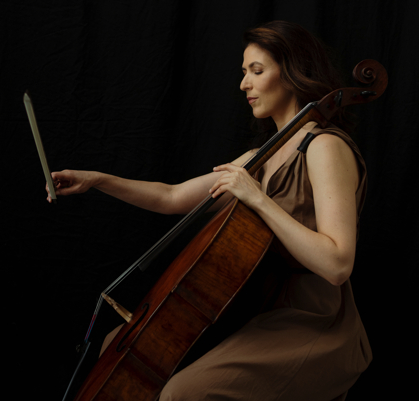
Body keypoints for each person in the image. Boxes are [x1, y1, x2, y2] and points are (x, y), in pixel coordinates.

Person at [47, 20, 372, 401]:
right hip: (253, 309)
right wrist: (98, 179)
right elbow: (172, 197)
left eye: (256, 71)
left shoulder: (324, 147)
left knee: (184, 394)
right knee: (115, 345)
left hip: (311, 320)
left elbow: (337, 264)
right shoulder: (260, 157)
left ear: (292, 72)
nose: (244, 84)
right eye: (243, 72)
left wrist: (256, 198)